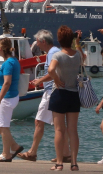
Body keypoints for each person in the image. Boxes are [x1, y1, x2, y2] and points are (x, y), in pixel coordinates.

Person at [18, 30, 72, 163]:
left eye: (37, 42)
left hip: (50, 91)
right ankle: (65, 153)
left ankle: (32, 152)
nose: (36, 45)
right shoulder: (54, 51)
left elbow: (54, 71)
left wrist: (40, 80)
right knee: (58, 125)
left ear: (43, 42)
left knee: (39, 121)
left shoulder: (53, 52)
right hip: (53, 90)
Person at [46, 25, 82, 171]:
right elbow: (82, 57)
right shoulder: (78, 54)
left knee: (59, 130)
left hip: (60, 93)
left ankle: (59, 163)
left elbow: (50, 69)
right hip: (74, 94)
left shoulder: (58, 55)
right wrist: (77, 42)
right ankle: (74, 163)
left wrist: (55, 79)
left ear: (59, 40)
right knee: (73, 130)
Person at [0, 37, 24, 162]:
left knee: (4, 126)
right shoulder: (13, 61)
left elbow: (7, 82)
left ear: (2, 49)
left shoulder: (9, 63)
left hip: (6, 97)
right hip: (8, 96)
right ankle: (15, 146)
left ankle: (6, 154)